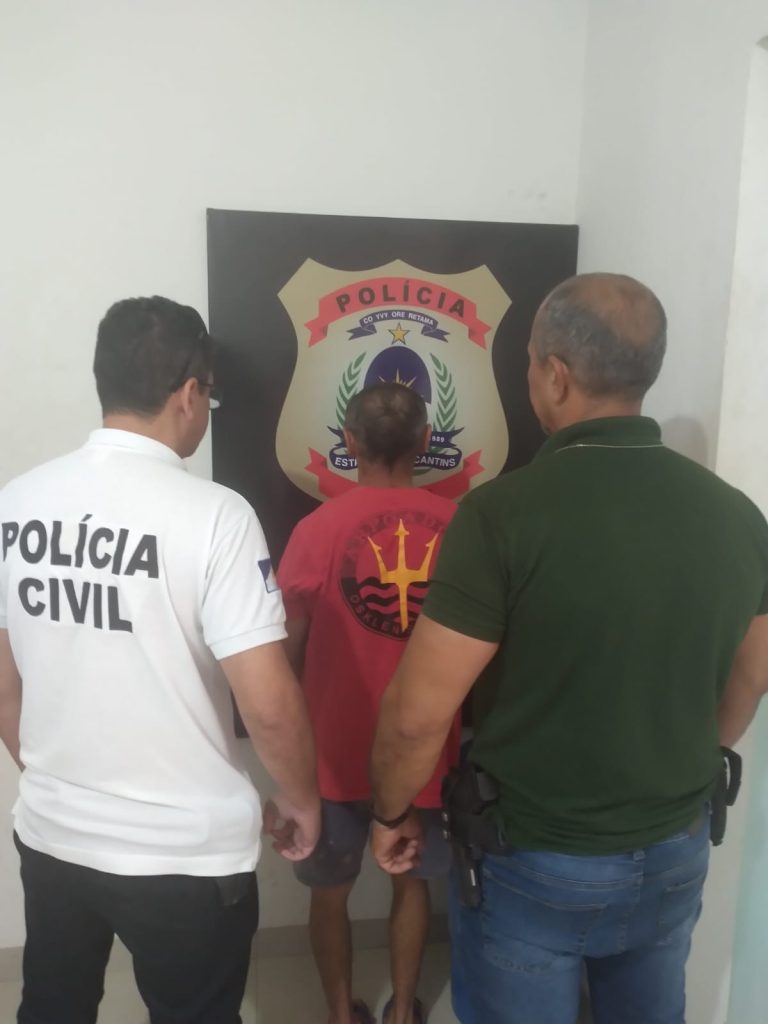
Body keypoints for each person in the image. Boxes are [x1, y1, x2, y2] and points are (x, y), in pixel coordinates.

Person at [368, 273, 768, 1024]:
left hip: (533, 857)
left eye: (528, 363)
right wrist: (674, 765)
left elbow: (417, 715)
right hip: (676, 844)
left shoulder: (500, 517)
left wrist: (389, 812)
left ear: (555, 374)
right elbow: (753, 674)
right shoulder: (740, 517)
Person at [0, 296, 321, 1024]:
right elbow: (268, 704)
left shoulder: (18, 502)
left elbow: (4, 683)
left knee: (52, 1007)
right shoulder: (216, 517)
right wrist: (301, 800)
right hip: (186, 857)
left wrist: (61, 784)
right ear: (189, 393)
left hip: (54, 836)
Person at [277, 383, 459, 1024]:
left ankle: (338, 1013)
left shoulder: (315, 530)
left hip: (333, 756)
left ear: (349, 441)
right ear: (425, 441)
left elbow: (286, 652)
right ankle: (404, 1011)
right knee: (414, 884)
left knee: (329, 893)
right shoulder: (459, 527)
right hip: (426, 757)